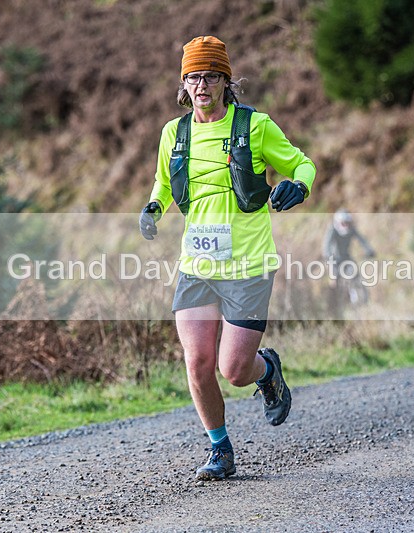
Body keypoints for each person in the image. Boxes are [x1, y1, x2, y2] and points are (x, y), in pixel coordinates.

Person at [139, 36, 317, 479]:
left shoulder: (255, 126)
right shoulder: (174, 133)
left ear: (225, 81)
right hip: (197, 266)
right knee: (197, 363)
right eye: (194, 77)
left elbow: (302, 164)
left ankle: (267, 370)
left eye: (211, 76)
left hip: (248, 265)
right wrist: (153, 208)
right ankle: (220, 449)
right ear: (184, 84)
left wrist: (299, 185)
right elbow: (164, 183)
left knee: (234, 371)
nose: (202, 85)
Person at [323, 209, 375, 308]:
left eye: (347, 223)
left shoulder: (352, 229)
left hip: (347, 257)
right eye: (343, 223)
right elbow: (326, 246)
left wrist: (369, 250)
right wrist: (328, 257)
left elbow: (362, 240)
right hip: (334, 260)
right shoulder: (332, 230)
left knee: (355, 276)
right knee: (333, 281)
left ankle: (362, 302)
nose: (346, 225)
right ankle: (332, 305)